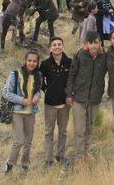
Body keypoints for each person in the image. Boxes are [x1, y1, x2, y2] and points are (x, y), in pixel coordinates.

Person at [66, 30, 107, 165]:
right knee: (79, 130)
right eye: (91, 43)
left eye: (96, 42)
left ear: (100, 42)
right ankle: (78, 158)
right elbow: (72, 75)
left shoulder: (104, 57)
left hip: (95, 99)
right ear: (86, 44)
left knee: (89, 128)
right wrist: (69, 94)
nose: (94, 46)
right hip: (79, 98)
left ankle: (86, 153)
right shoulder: (80, 55)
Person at [3, 49, 42, 174]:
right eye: (29, 60)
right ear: (25, 61)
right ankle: (10, 164)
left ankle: (25, 164)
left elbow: (37, 90)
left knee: (28, 141)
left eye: (34, 61)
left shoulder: (38, 75)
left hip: (31, 112)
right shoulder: (15, 74)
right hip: (17, 112)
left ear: (37, 63)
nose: (32, 63)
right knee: (19, 140)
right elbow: (6, 93)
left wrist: (37, 96)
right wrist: (21, 100)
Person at [39, 38, 72, 168]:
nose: (57, 47)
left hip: (65, 103)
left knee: (63, 131)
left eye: (59, 44)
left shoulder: (69, 62)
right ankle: (48, 159)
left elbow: (72, 80)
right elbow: (39, 80)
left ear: (63, 46)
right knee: (49, 131)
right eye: (54, 45)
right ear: (50, 48)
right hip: (50, 103)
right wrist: (46, 89)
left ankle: (60, 156)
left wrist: (69, 94)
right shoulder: (45, 64)